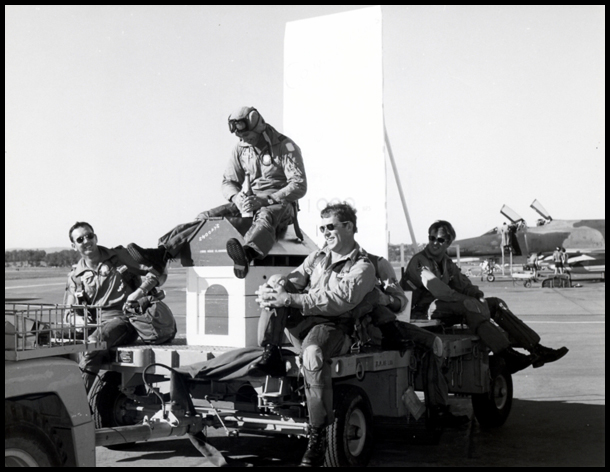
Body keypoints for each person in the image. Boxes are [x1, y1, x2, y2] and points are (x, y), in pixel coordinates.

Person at [251, 203, 376, 467]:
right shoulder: (318, 257)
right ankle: (271, 351)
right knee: (277, 281)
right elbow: (294, 280)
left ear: (349, 227)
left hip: (334, 327)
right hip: (306, 322)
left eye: (331, 227)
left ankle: (317, 435)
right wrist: (272, 290)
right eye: (322, 228)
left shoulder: (363, 267)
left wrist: (290, 299)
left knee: (312, 355)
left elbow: (339, 301)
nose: (325, 233)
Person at [127, 106, 307, 279]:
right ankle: (163, 253)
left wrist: (265, 200)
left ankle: (247, 254)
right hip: (249, 202)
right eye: (240, 136)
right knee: (206, 217)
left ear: (258, 126)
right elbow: (228, 181)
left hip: (279, 204)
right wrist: (237, 198)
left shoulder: (285, 147)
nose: (244, 139)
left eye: (247, 135)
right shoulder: (240, 148)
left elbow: (299, 184)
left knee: (266, 216)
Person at [402, 220, 568, 374]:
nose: (435, 243)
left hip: (439, 309)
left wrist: (477, 295)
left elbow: (462, 283)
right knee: (468, 305)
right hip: (419, 314)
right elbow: (439, 290)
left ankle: (536, 348)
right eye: (432, 238)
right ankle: (506, 355)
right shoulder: (420, 262)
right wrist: (468, 300)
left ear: (448, 243)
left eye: (440, 240)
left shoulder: (445, 262)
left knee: (494, 304)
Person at [65, 222, 167, 392]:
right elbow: (68, 312)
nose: (86, 241)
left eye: (89, 236)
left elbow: (158, 271)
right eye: (80, 239)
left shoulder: (120, 256)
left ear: (95, 237)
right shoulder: (75, 276)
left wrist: (140, 292)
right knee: (47, 338)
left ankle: (78, 402)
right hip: (93, 324)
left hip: (126, 320)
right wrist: (77, 319)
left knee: (93, 344)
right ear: (74, 245)